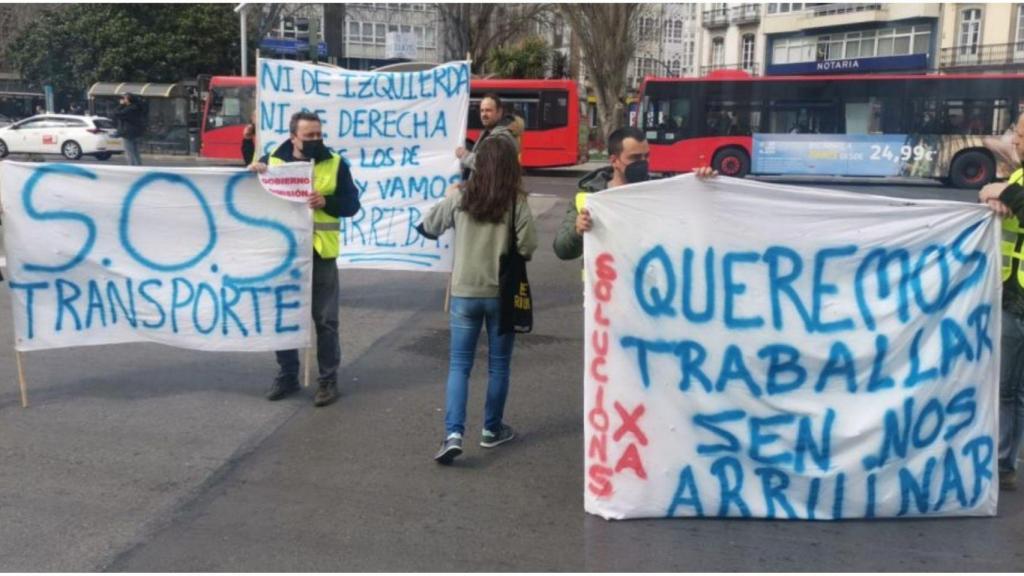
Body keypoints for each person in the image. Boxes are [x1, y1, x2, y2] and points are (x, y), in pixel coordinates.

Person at [420, 136, 538, 464]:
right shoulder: (516, 201)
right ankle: (491, 429)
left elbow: (428, 227)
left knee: (460, 365)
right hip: (501, 294)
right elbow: (528, 246)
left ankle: (453, 434)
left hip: (464, 292)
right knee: (498, 365)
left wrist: (449, 199)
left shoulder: (461, 196)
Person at [249, 111, 361, 407]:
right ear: (293, 136)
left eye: (318, 135)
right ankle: (287, 375)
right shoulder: (272, 160)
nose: (315, 140)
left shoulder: (334, 163)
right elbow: (251, 195)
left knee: (326, 320)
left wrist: (328, 202)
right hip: (283, 254)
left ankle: (327, 381)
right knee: (283, 317)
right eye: (309, 136)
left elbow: (352, 204)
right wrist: (253, 170)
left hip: (320, 252)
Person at [553, 126, 715, 261]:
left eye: (646, 156)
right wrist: (578, 231)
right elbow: (562, 250)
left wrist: (705, 187)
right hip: (607, 291)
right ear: (614, 160)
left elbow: (694, 223)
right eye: (635, 158)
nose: (643, 163)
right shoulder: (590, 197)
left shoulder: (658, 192)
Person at [979, 112, 1024, 491]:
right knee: (1009, 388)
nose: (1016, 142)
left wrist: (1002, 192)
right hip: (1013, 297)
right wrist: (990, 192)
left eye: (1023, 136)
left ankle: (1004, 462)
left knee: (1011, 390)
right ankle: (1003, 459)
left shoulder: (1016, 184)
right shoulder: (1019, 177)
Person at [455, 93, 520, 175]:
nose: (484, 114)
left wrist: (465, 155)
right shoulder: (488, 133)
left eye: (488, 110)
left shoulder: (502, 138)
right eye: (482, 110)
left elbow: (488, 165)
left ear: (499, 112)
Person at [113, 94, 146, 166]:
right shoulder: (137, 108)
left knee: (129, 152)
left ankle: (132, 167)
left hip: (128, 133)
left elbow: (116, 113)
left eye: (125, 99)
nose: (123, 100)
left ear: (128, 100)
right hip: (136, 132)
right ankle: (138, 166)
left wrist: (121, 105)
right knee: (135, 152)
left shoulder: (129, 109)